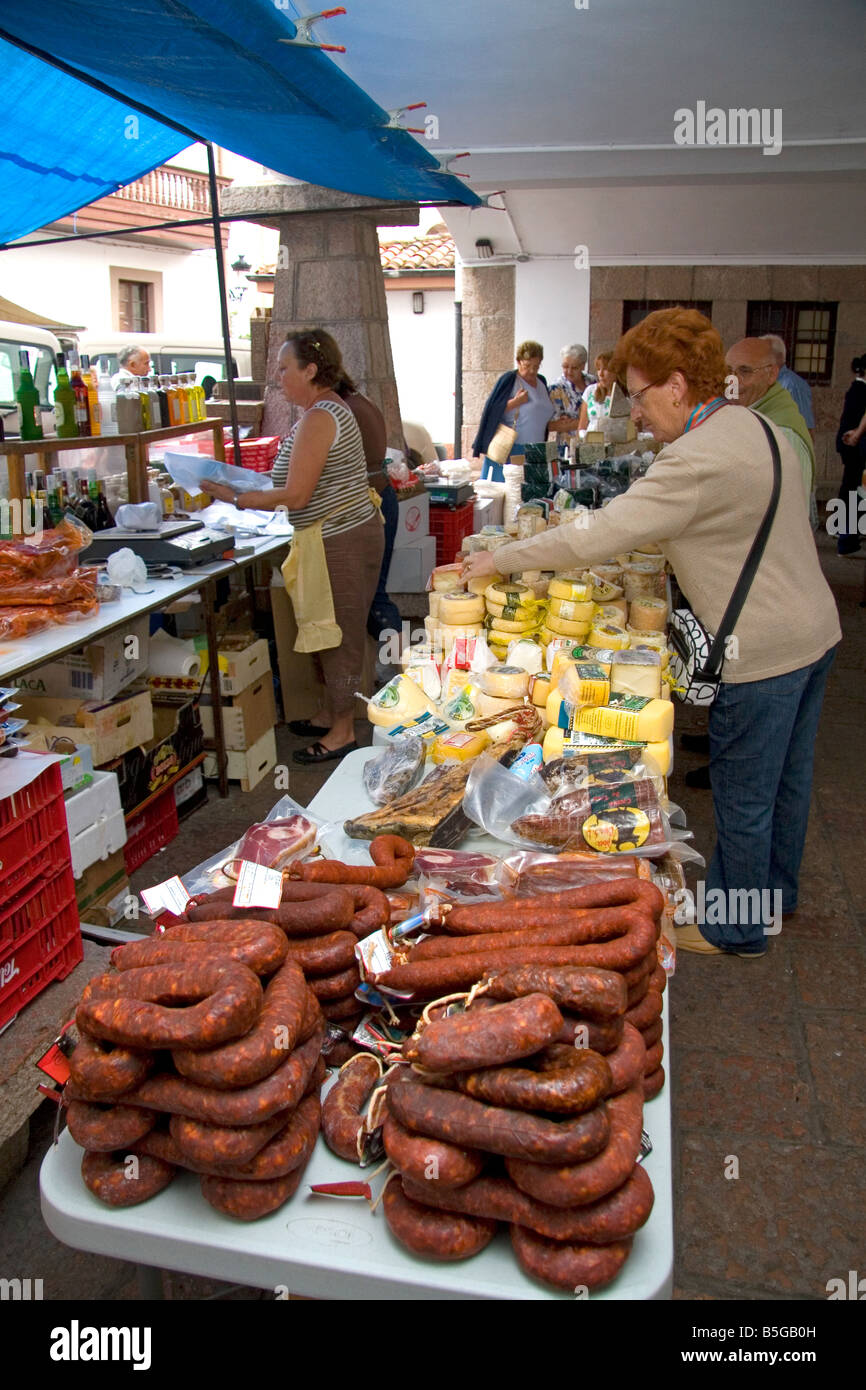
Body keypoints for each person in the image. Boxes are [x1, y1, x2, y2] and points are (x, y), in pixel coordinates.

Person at [462, 308, 840, 959]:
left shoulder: (692, 460)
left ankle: (737, 927)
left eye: (637, 396)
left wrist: (498, 559)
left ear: (676, 385)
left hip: (764, 653)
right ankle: (776, 892)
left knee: (744, 794)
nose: (633, 412)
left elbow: (597, 532)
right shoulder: (756, 423)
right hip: (816, 631)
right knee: (788, 781)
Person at [200, 328, 383, 765]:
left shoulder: (321, 417)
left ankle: (343, 732)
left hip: (341, 538)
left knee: (339, 639)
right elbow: (292, 484)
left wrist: (236, 497)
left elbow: (297, 495)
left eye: (285, 368)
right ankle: (329, 713)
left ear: (311, 370)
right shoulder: (319, 413)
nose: (279, 378)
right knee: (328, 631)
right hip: (334, 535)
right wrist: (245, 486)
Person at [334, 373, 402, 647]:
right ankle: (401, 667)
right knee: (376, 592)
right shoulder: (360, 401)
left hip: (371, 503)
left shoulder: (342, 409)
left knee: (373, 597)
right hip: (380, 497)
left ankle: (404, 669)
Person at [725, 337, 815, 512]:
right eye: (728, 371)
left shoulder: (783, 435)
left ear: (772, 374)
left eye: (745, 371)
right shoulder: (750, 414)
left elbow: (790, 513)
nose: (733, 381)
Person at [472, 340, 566, 481]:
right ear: (518, 361)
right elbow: (492, 410)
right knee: (508, 493)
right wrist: (516, 402)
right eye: (527, 366)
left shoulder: (541, 382)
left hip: (535, 450)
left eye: (536, 366)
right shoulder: (510, 380)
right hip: (511, 448)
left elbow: (540, 413)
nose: (532, 371)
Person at [834, 354, 866, 556]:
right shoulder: (860, 390)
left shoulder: (857, 389)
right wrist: (855, 435)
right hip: (854, 445)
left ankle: (844, 532)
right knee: (853, 490)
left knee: (851, 489)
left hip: (852, 443)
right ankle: (846, 536)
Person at [760, 334, 815, 430]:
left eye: (762, 355)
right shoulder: (765, 382)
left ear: (778, 357)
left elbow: (806, 427)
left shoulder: (793, 386)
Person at [549, 343, 596, 420]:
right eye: (565, 366)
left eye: (574, 368)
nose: (569, 372)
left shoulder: (592, 381)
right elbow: (553, 424)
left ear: (583, 366)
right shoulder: (556, 388)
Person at [577, 351, 616, 431]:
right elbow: (582, 426)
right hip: (591, 441)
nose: (600, 374)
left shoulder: (625, 395)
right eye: (598, 369)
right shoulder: (590, 390)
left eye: (605, 369)